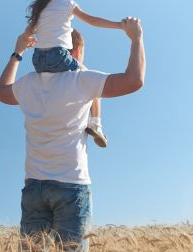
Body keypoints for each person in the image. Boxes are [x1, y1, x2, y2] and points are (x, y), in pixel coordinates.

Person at [0, 17, 145, 252]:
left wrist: (18, 52)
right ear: (75, 51)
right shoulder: (81, 79)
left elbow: (2, 92)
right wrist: (136, 38)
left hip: (34, 188)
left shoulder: (28, 84)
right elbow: (134, 80)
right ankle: (96, 125)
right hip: (71, 185)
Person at [27, 0, 123, 148]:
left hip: (37, 60)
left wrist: (21, 47)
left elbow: (28, 32)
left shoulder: (41, 9)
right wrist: (119, 25)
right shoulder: (67, 3)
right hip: (57, 56)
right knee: (90, 77)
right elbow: (92, 20)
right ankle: (96, 123)